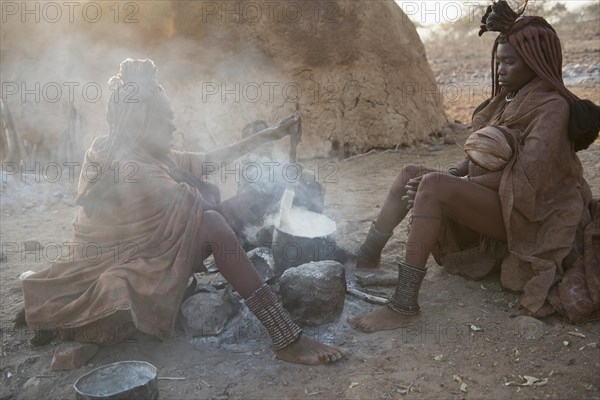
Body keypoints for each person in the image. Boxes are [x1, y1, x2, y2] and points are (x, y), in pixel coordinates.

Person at [18, 58, 347, 365]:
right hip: (126, 265)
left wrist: (269, 135)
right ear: (142, 124)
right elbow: (212, 219)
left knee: (218, 219)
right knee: (216, 223)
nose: (173, 127)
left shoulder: (127, 147)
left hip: (140, 249)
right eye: (167, 122)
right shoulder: (137, 172)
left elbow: (205, 162)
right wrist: (253, 198)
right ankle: (285, 337)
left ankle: (280, 330)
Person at [349, 0, 600, 332]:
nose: (501, 71)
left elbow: (527, 181)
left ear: (537, 63)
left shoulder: (552, 107)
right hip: (504, 202)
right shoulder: (508, 98)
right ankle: (367, 257)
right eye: (499, 62)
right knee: (413, 173)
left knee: (433, 187)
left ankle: (403, 304)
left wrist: (445, 184)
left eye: (510, 63)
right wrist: (453, 174)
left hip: (534, 214)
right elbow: (480, 156)